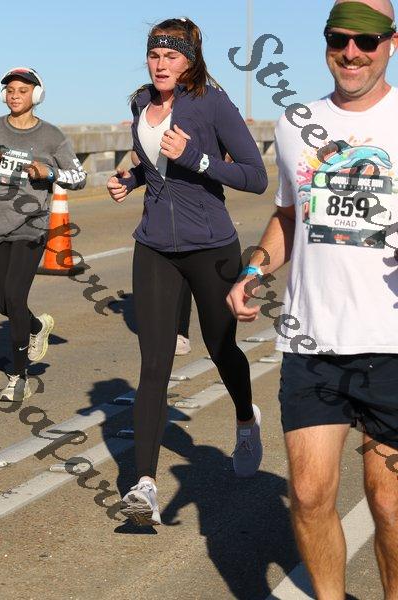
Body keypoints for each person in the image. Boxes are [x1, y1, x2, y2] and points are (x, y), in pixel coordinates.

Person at [227, 1, 398, 597]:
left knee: (389, 504)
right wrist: (255, 268)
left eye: (367, 41)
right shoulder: (296, 124)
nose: (352, 52)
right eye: (339, 38)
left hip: (392, 345)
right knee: (307, 494)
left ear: (391, 44)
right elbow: (288, 215)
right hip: (313, 341)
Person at [107, 17, 267, 526]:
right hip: (154, 246)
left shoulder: (213, 103)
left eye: (171, 56)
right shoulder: (141, 102)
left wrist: (197, 159)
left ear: (190, 60)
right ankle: (145, 486)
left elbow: (255, 177)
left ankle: (245, 420)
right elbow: (155, 162)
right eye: (154, 55)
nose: (160, 64)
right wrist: (132, 179)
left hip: (211, 246)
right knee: (154, 364)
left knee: (221, 348)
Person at [0, 67, 86, 403]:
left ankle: (19, 376)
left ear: (36, 95)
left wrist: (49, 172)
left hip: (30, 226)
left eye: (22, 90)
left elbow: (79, 177)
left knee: (14, 296)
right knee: (3, 301)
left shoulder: (51, 136)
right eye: (10, 90)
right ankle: (36, 327)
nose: (15, 96)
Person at [130, 148, 193, 356]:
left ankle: (180, 331)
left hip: (193, 202)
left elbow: (226, 156)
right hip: (158, 201)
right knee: (159, 263)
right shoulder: (146, 122)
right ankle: (162, 330)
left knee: (185, 262)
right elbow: (135, 154)